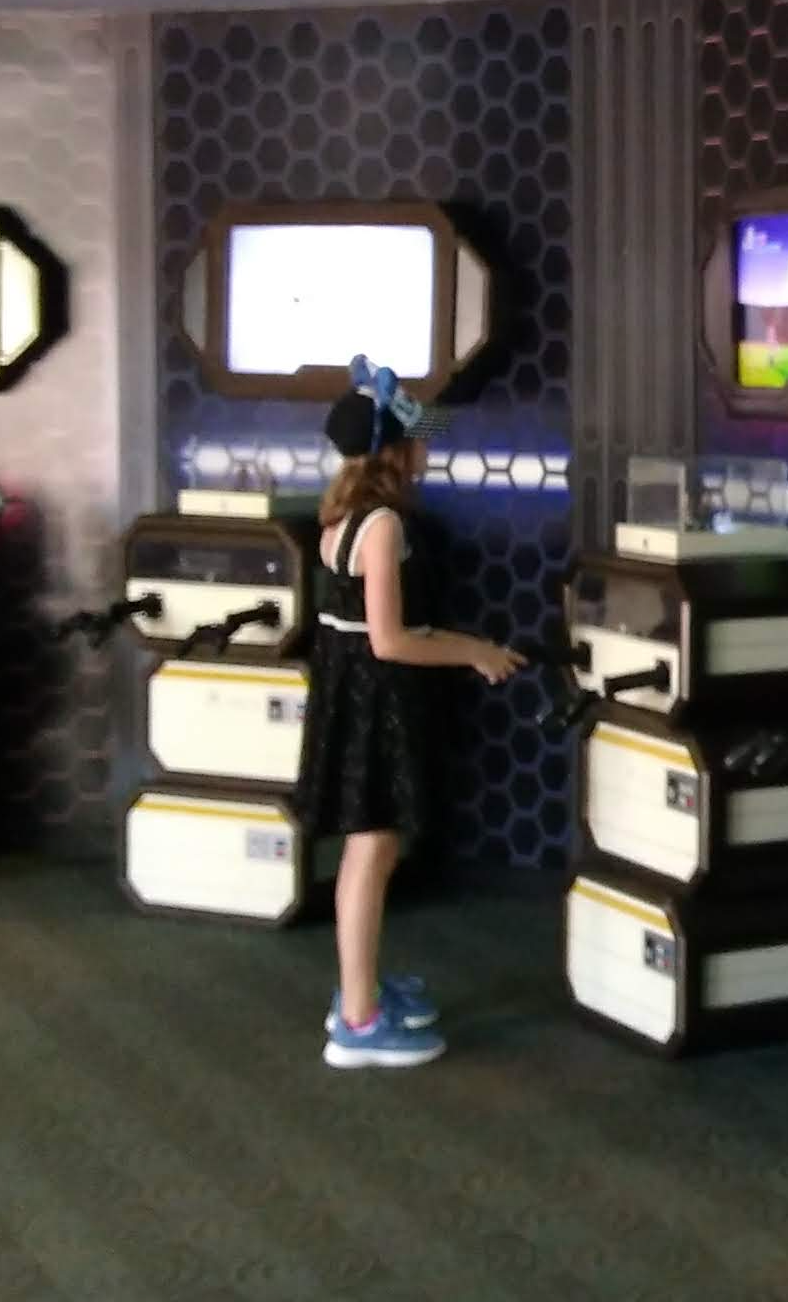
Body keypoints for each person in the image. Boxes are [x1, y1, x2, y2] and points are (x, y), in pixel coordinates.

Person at [297, 356, 527, 1069]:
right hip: (377, 703)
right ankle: (360, 1021)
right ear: (395, 453)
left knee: (371, 846)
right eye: (416, 440)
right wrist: (474, 651)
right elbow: (391, 640)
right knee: (372, 848)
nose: (425, 451)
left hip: (350, 695)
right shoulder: (384, 526)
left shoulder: (339, 517)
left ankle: (359, 987)